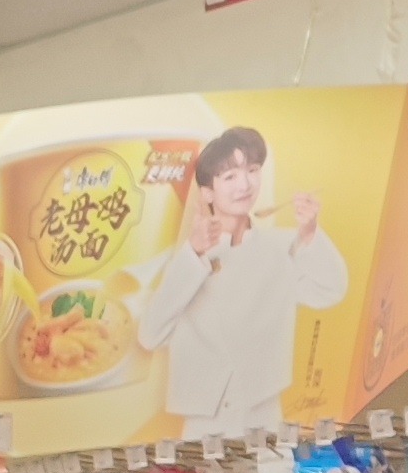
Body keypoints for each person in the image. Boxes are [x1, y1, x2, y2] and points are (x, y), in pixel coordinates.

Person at [143, 124, 344, 437]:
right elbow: (150, 335)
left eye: (252, 170)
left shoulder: (281, 247)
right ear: (207, 192)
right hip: (203, 425)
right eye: (230, 176)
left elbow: (330, 289)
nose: (245, 184)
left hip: (263, 417)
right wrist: (193, 254)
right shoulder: (189, 259)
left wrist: (309, 235)